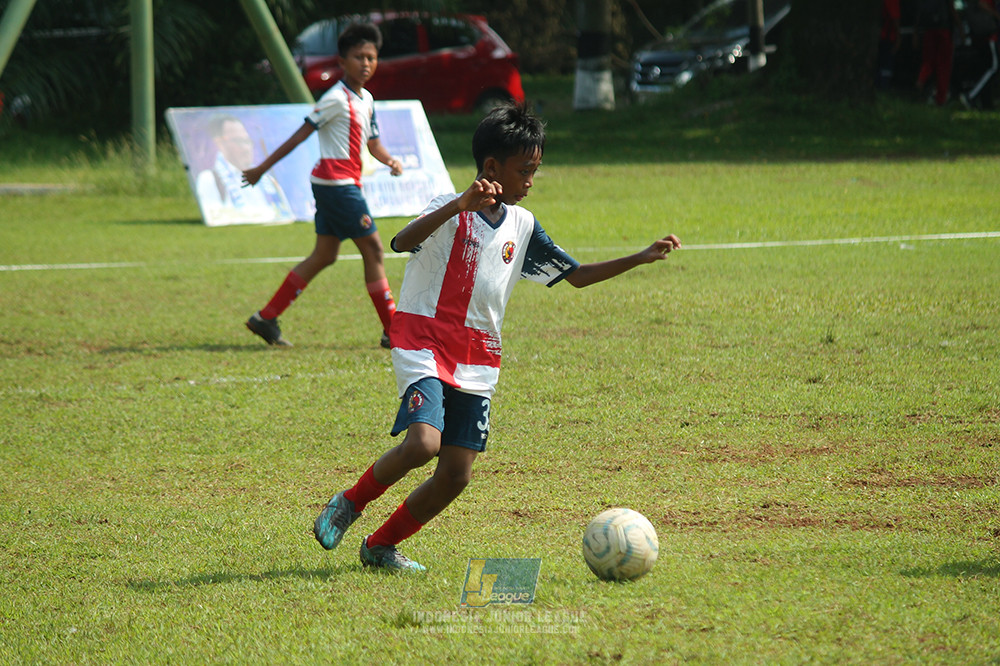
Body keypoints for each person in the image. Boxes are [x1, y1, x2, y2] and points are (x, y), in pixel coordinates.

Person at [311, 101, 682, 572]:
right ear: (491, 167)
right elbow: (401, 242)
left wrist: (640, 256)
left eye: (535, 171)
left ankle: (380, 546)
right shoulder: (450, 208)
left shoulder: (523, 226)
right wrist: (457, 206)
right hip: (424, 339)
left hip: (477, 356)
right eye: (524, 170)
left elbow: (578, 275)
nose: (530, 181)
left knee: (456, 474)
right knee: (424, 444)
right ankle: (350, 501)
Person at [242, 22, 403, 348]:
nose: (366, 63)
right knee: (372, 248)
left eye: (371, 57)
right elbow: (300, 135)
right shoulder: (335, 99)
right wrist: (261, 168)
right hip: (336, 184)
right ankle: (394, 330)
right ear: (342, 61)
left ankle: (265, 318)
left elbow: (374, 144)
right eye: (358, 57)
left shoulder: (366, 99)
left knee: (324, 254)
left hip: (338, 184)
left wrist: (391, 161)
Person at [196, 114, 293, 226]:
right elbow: (214, 217)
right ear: (220, 143)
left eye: (247, 141)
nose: (246, 148)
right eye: (238, 141)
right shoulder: (209, 178)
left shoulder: (267, 180)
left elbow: (285, 215)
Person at [914, 0, 960, 106]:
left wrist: (915, 32)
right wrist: (960, 28)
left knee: (928, 61)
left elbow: (920, 11)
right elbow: (952, 9)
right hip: (943, 30)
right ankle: (941, 98)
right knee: (943, 66)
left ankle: (921, 79)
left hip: (928, 30)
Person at [960, 0, 1000, 109]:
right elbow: (982, 4)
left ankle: (986, 103)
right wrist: (996, 15)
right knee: (994, 68)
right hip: (989, 34)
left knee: (985, 68)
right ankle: (971, 96)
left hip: (981, 33)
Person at [877, 0, 902, 90]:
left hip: (881, 35)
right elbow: (895, 17)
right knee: (886, 65)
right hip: (887, 36)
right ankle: (884, 87)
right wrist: (898, 37)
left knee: (881, 64)